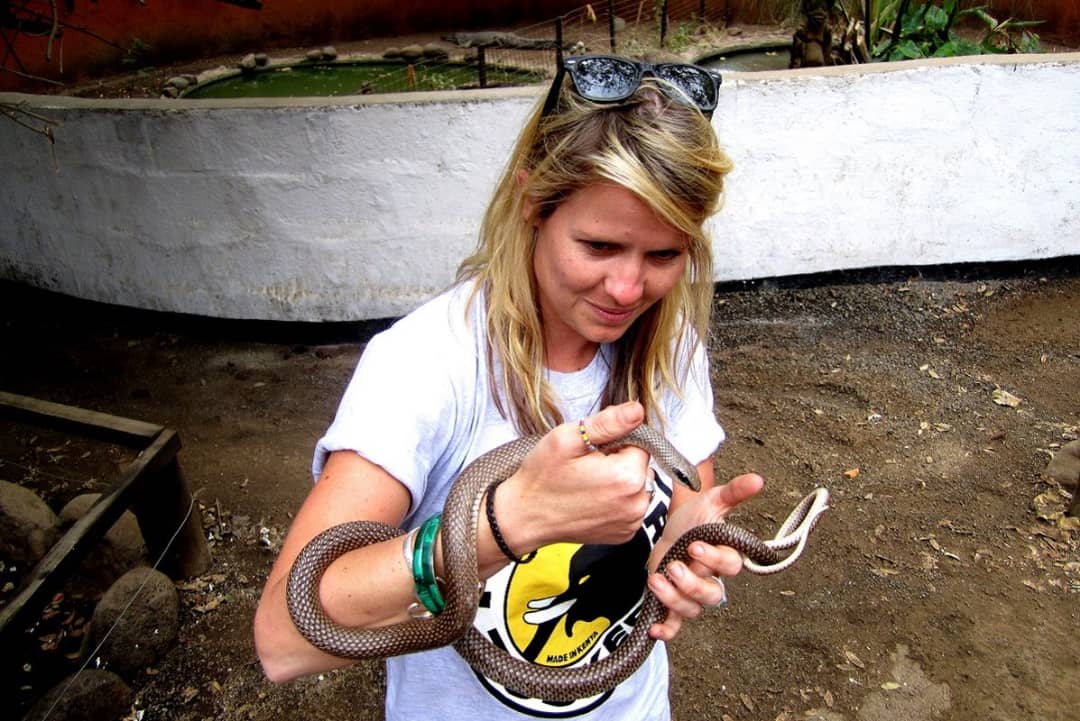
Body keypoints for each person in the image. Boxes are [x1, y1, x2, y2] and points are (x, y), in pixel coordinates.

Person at [254, 54, 764, 720]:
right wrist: (507, 522)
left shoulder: (670, 345)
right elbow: (285, 640)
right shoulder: (425, 364)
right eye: (600, 246)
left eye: (664, 255)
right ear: (532, 202)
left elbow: (690, 493)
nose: (628, 289)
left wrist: (683, 552)